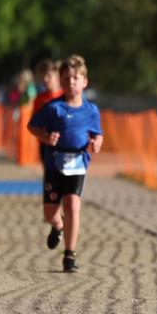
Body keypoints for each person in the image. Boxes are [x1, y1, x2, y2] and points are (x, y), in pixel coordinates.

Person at [26, 55, 103, 273]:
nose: (71, 82)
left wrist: (96, 143)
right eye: (67, 78)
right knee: (50, 213)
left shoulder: (91, 110)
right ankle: (58, 225)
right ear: (61, 81)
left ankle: (69, 255)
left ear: (84, 82)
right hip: (54, 164)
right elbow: (32, 127)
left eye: (76, 78)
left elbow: (98, 134)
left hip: (78, 163)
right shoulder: (53, 108)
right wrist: (45, 138)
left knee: (72, 205)